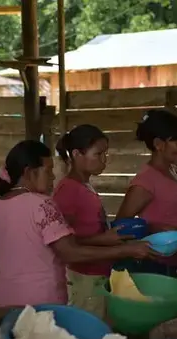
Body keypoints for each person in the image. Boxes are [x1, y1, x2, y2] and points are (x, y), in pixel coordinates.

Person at [0, 139, 158, 309]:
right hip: (41, 302)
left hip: (5, 299)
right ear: (29, 173)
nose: (53, 177)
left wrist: (16, 267)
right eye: (48, 171)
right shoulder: (41, 204)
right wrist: (127, 250)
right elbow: (70, 253)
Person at [52, 124, 132, 318]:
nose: (104, 160)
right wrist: (104, 239)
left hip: (95, 272)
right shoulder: (68, 190)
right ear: (77, 155)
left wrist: (107, 236)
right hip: (82, 277)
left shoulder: (84, 185)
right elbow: (62, 245)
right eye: (98, 154)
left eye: (105, 153)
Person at [115, 109, 177, 275]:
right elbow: (120, 225)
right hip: (160, 266)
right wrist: (154, 227)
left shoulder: (174, 171)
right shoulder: (146, 181)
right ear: (158, 144)